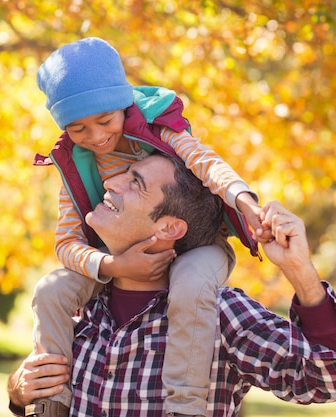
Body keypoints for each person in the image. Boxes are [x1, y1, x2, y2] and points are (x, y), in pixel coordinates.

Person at [8, 153, 336, 417]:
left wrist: (299, 270)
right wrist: (17, 393)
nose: (112, 183)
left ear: (168, 229)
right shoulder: (80, 310)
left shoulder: (218, 314)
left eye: (136, 183)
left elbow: (332, 380)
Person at [31, 37, 273, 417]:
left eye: (104, 121)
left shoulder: (156, 131)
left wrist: (244, 200)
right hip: (112, 257)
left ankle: (185, 407)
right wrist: (113, 266)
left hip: (197, 246)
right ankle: (51, 401)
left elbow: (206, 161)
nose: (95, 137)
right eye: (78, 129)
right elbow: (66, 243)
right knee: (51, 291)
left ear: (123, 105)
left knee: (191, 286)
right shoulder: (75, 166)